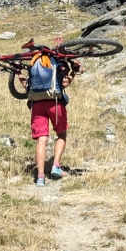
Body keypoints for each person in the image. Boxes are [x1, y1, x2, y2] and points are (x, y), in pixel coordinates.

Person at [26, 53, 81, 185]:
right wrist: (73, 72)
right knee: (61, 134)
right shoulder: (57, 64)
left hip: (37, 104)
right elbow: (65, 83)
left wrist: (18, 74)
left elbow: (25, 86)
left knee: (41, 139)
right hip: (54, 103)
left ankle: (40, 177)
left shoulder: (35, 64)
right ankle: (55, 166)